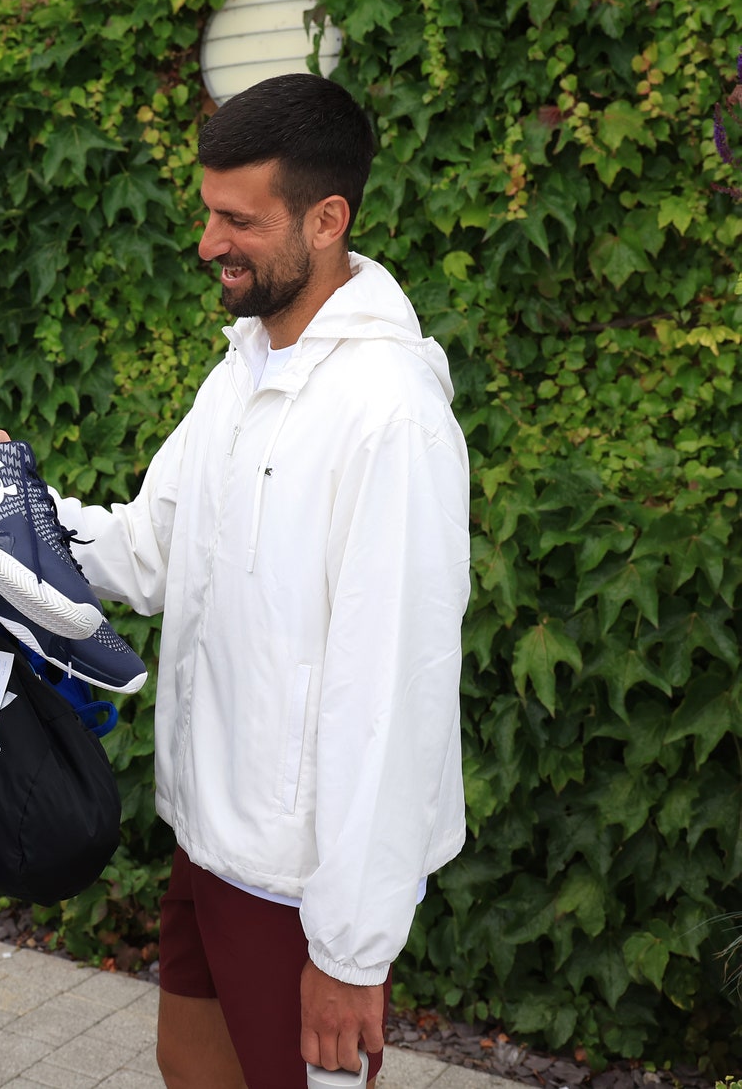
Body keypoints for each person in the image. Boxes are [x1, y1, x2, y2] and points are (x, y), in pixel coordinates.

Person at [52, 73, 471, 1087]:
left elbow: (395, 695)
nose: (207, 243)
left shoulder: (389, 413)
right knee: (186, 1067)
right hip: (206, 846)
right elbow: (147, 554)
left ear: (326, 220)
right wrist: (2, 507)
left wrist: (350, 950)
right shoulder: (238, 373)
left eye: (237, 219)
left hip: (298, 890)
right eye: (207, 212)